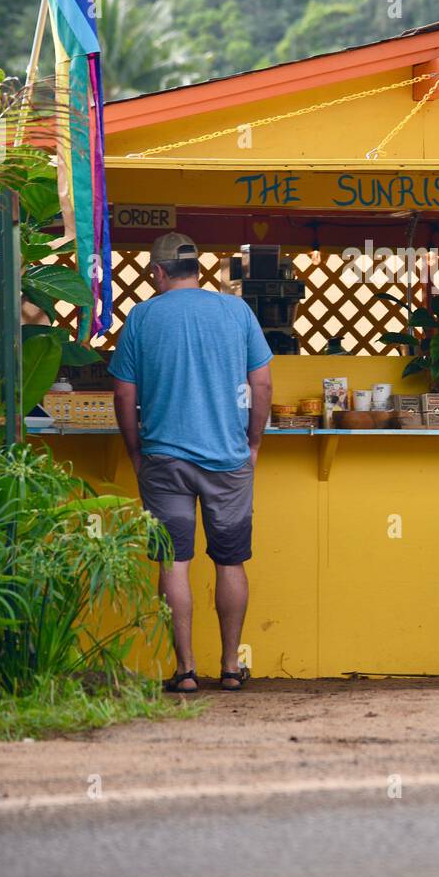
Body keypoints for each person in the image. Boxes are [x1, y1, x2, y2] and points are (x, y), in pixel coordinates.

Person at [111, 233, 273, 693]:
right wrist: (254, 441)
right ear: (196, 269)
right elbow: (261, 385)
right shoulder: (235, 311)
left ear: (158, 273)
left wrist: (135, 450)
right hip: (228, 459)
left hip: (164, 459)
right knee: (230, 561)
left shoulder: (143, 316)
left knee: (173, 562)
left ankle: (184, 671)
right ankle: (229, 667)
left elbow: (124, 393)